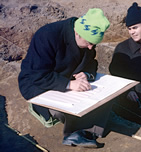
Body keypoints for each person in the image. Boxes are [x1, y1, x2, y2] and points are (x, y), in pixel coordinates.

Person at [18, 8, 111, 148]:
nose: (91, 48)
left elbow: (92, 63)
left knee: (106, 96)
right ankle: (73, 134)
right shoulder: (47, 35)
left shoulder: (87, 38)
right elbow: (37, 75)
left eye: (94, 44)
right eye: (89, 43)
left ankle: (92, 131)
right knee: (67, 108)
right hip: (39, 84)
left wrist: (85, 74)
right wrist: (69, 84)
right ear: (78, 33)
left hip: (67, 79)